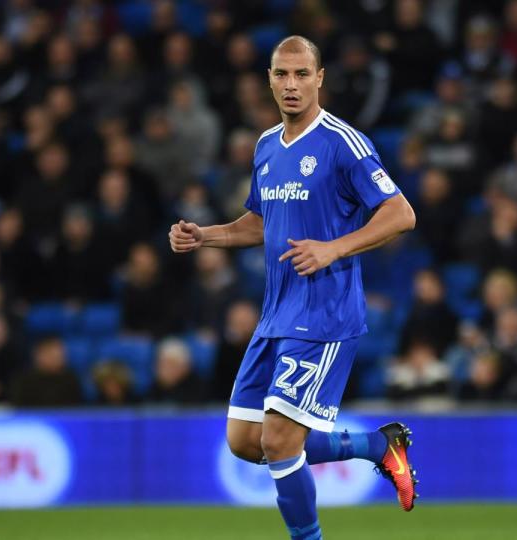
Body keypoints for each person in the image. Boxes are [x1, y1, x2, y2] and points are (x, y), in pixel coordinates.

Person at [168, 36, 418, 538]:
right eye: (282, 74)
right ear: (269, 79)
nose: (291, 84)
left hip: (325, 312)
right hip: (277, 313)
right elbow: (263, 222)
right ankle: (377, 446)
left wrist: (333, 249)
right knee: (246, 440)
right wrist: (206, 236)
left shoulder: (343, 143)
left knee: (281, 441)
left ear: (320, 78)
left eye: (302, 74)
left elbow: (401, 213)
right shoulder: (266, 145)